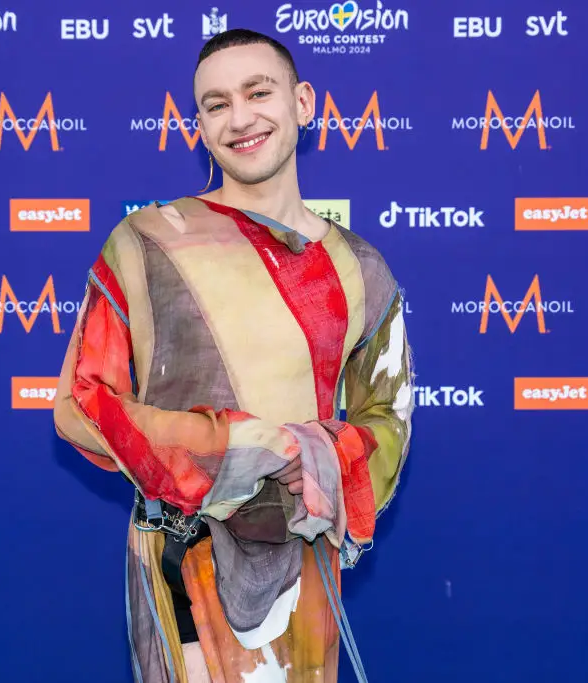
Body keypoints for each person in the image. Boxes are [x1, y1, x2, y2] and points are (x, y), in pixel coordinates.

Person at [53, 28, 414, 683]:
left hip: (301, 577)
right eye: (216, 104)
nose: (240, 116)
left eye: (258, 92)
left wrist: (315, 459)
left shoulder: (363, 270)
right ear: (199, 125)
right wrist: (232, 448)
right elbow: (78, 406)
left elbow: (388, 418)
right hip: (181, 562)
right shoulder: (144, 244)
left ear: (304, 103)